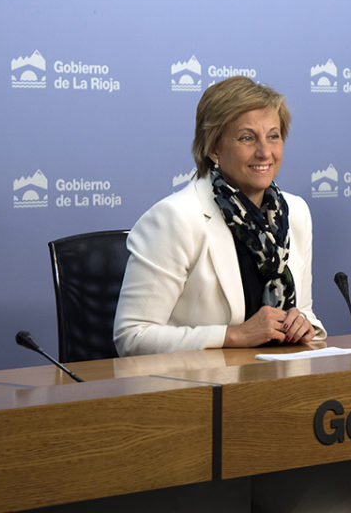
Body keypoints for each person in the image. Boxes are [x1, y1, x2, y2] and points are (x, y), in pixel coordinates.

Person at [114, 77, 325, 356]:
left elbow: (305, 311)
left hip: (280, 384)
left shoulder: (294, 212)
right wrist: (233, 335)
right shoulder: (175, 218)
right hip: (199, 389)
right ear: (214, 148)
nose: (265, 152)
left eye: (273, 136)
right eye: (247, 138)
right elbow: (132, 337)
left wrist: (303, 325)